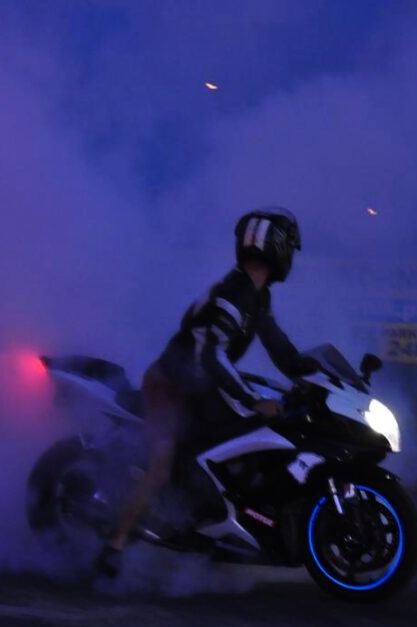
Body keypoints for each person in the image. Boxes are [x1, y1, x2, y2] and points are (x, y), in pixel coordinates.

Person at [96, 207, 317, 578]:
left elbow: (276, 343)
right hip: (170, 386)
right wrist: (252, 400)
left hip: (200, 387)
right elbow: (212, 355)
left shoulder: (257, 295)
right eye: (290, 248)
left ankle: (222, 514)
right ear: (276, 248)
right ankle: (114, 545)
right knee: (161, 468)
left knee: (251, 435)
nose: (291, 257)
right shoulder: (233, 295)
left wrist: (310, 372)